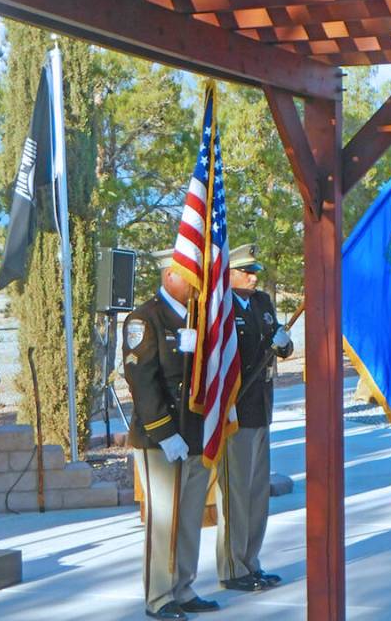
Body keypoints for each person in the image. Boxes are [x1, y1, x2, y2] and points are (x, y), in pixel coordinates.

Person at [124, 264, 220, 621]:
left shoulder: (197, 316)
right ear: (168, 276)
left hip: (193, 433)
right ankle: (159, 596)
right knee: (164, 520)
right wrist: (165, 433)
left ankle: (183, 586)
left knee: (190, 517)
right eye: (188, 273)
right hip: (158, 439)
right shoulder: (145, 319)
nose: (196, 281)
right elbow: (142, 382)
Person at [216, 243, 293, 592]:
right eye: (247, 271)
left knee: (257, 492)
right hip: (236, 411)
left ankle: (251, 561)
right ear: (229, 274)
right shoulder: (222, 307)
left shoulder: (261, 303)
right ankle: (233, 568)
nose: (253, 276)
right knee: (236, 493)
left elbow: (282, 349)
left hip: (261, 408)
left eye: (255, 271)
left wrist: (284, 343)